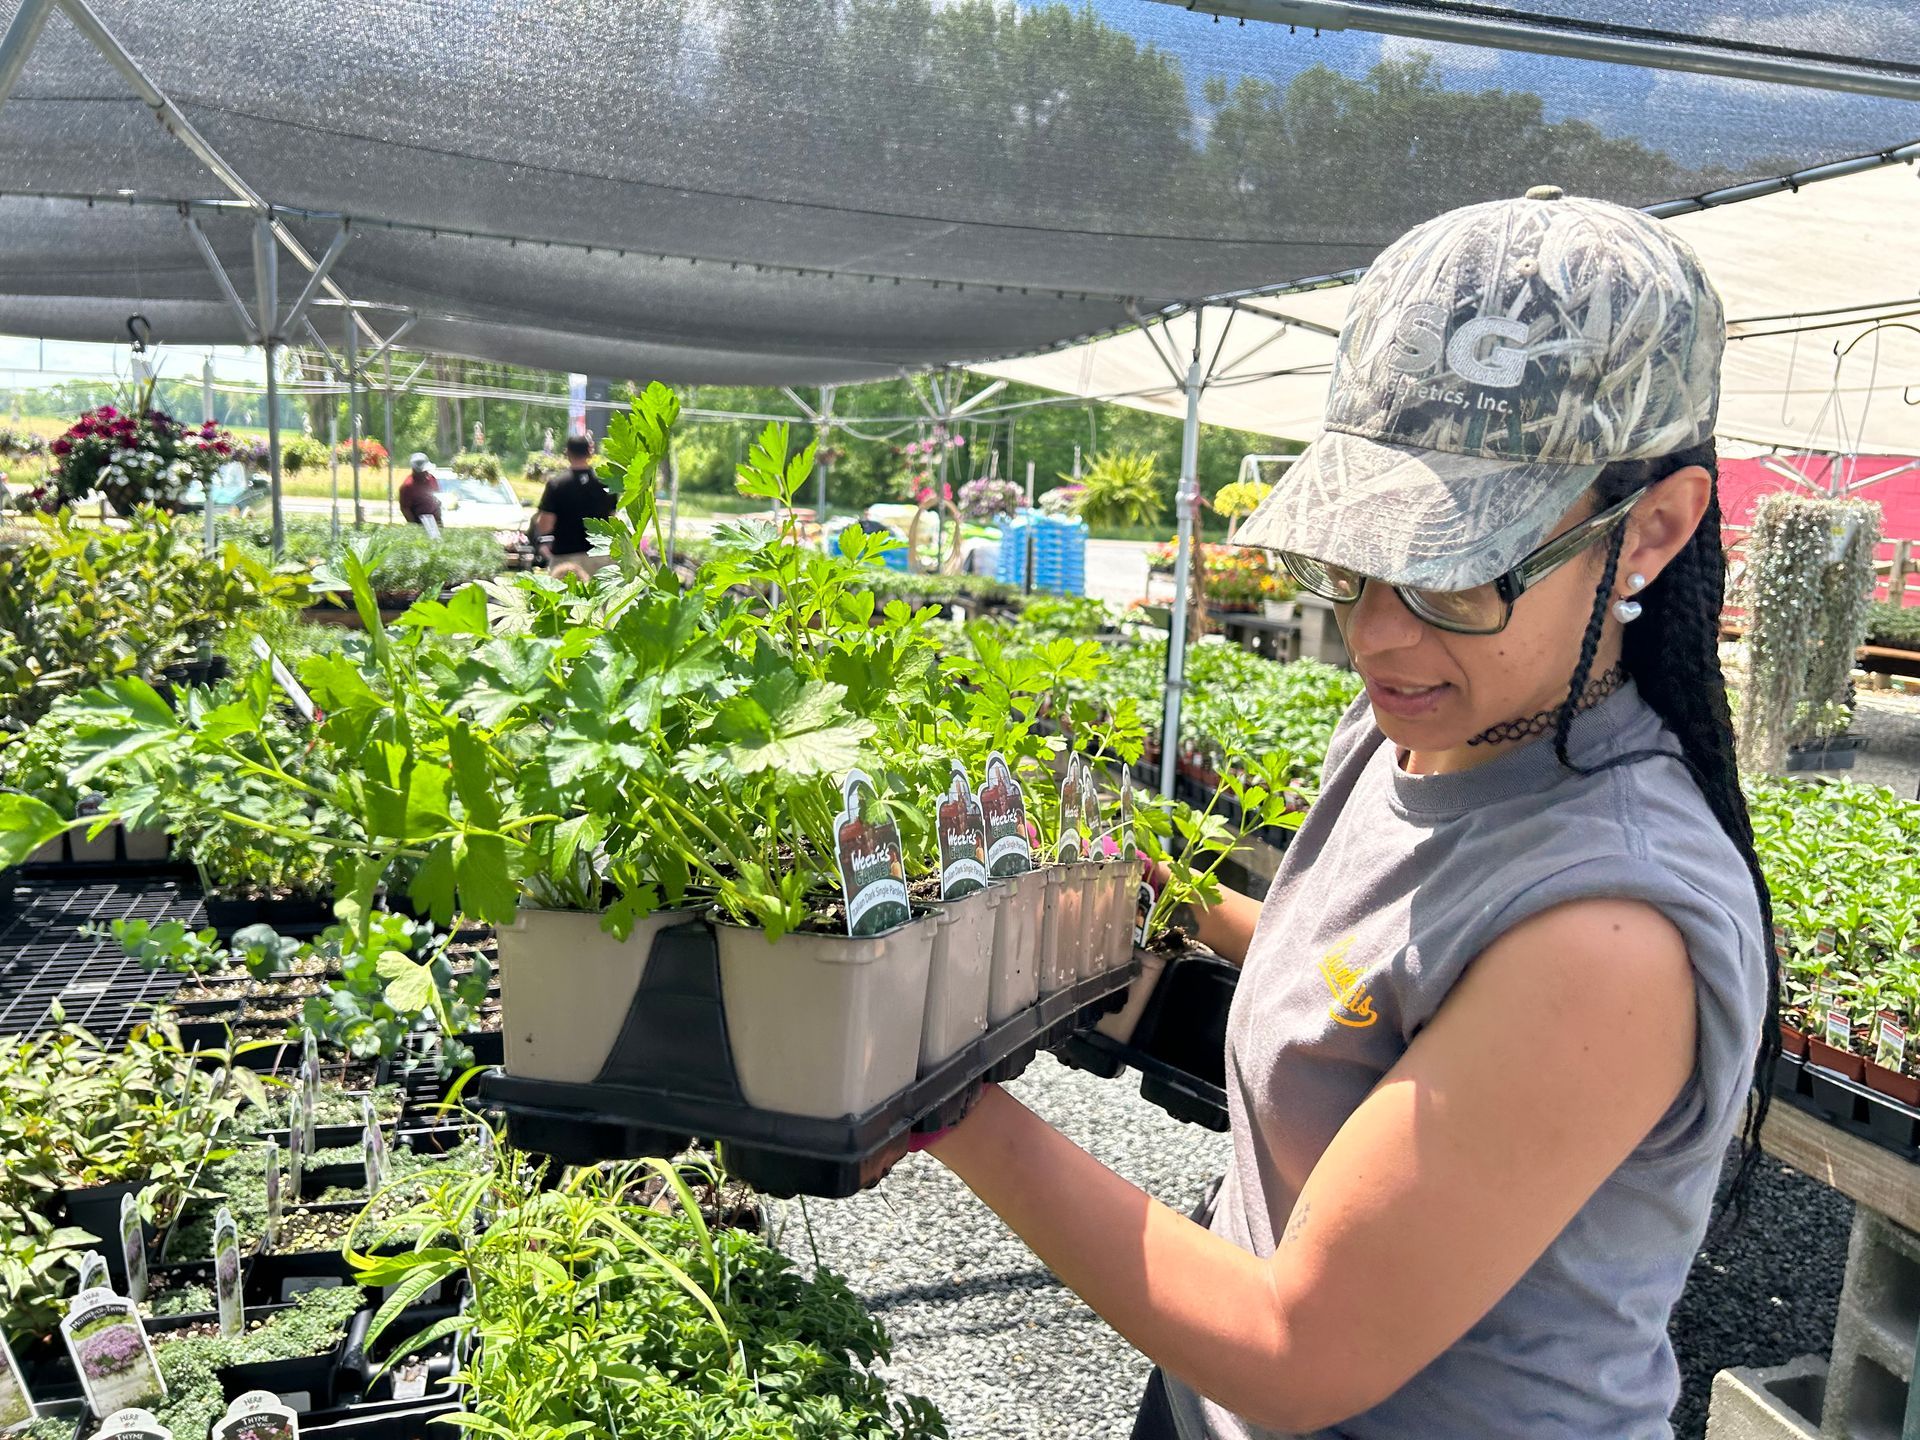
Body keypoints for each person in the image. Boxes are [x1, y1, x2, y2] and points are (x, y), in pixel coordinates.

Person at [916, 191, 1772, 1439]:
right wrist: (1184, 906)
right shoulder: (1410, 728)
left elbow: (1293, 1348)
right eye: (1357, 564)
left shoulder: (1610, 930)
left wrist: (941, 1104)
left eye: (1453, 573)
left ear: (1650, 530)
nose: (1375, 631)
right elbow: (1377, 995)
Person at [533, 434, 616, 578]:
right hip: (599, 555)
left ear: (567, 453)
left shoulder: (557, 484)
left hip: (565, 557)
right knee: (599, 600)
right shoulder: (606, 483)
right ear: (591, 452)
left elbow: (545, 524)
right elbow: (613, 519)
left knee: (566, 599)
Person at [397, 453, 441, 528]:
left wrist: (438, 520)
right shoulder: (408, 486)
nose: (425, 473)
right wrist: (415, 526)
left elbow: (437, 498)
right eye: (422, 472)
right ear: (414, 470)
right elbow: (405, 508)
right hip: (420, 522)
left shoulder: (432, 479)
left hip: (435, 520)